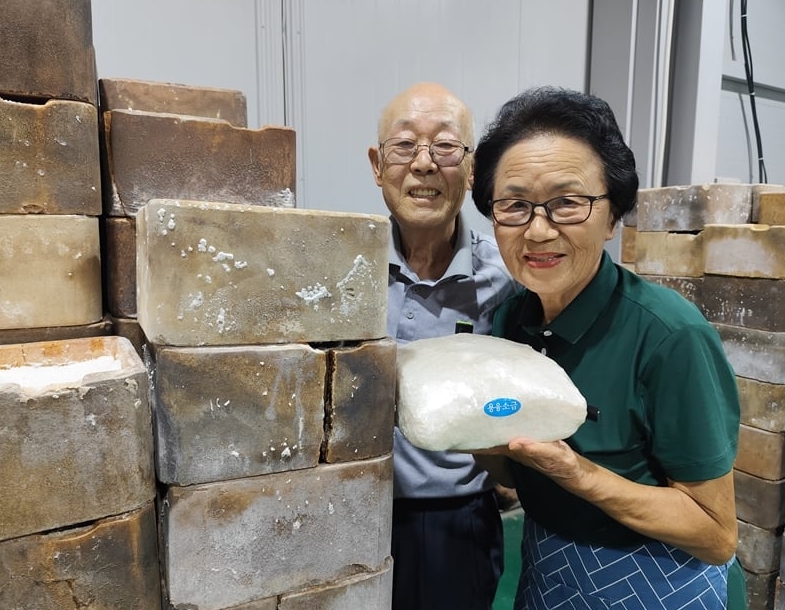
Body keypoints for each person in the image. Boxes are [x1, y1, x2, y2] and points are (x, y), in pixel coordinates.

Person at [470, 86, 743, 609]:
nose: (538, 230)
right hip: (547, 564)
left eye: (567, 203)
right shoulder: (512, 319)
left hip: (656, 579)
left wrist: (578, 474)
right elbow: (512, 470)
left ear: (613, 217)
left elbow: (715, 533)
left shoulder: (669, 336)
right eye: (515, 205)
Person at [368, 82, 520, 610]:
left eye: (446, 146)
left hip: (455, 522)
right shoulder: (344, 267)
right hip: (349, 504)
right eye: (404, 145)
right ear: (377, 165)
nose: (424, 163)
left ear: (472, 169)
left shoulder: (506, 277)